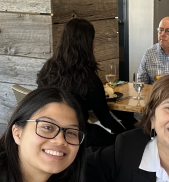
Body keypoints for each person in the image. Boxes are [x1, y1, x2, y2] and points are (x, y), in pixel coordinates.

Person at [37, 17, 125, 147]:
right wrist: (125, 134)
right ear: (87, 44)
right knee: (114, 141)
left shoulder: (48, 69)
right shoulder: (88, 78)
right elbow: (104, 118)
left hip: (48, 131)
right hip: (76, 135)